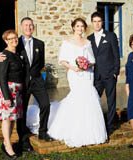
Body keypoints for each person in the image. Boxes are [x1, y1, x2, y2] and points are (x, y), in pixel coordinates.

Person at [0, 17, 53, 152]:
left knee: (45, 104)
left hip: (37, 80)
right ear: (21, 27)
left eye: (31, 25)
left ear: (34, 27)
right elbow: (5, 54)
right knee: (22, 112)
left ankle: (43, 132)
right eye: (26, 25)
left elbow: (41, 63)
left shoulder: (40, 44)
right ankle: (24, 141)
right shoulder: (15, 41)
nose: (28, 27)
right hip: (22, 82)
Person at [45, 18, 107, 147]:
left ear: (84, 28)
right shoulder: (67, 42)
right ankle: (74, 129)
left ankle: (91, 132)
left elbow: (93, 60)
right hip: (74, 74)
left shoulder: (88, 42)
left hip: (87, 74)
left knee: (89, 98)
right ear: (73, 27)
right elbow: (62, 60)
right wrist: (73, 67)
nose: (80, 28)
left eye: (82, 26)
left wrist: (87, 64)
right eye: (77, 26)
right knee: (77, 97)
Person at [87, 12, 120, 136]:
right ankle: (96, 125)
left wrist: (115, 72)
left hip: (109, 74)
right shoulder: (89, 39)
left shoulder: (111, 36)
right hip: (96, 76)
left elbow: (116, 55)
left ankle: (110, 126)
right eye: (94, 21)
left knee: (111, 102)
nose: (97, 23)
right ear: (92, 22)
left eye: (99, 21)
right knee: (94, 101)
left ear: (102, 22)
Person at [0, 30, 23, 159]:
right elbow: (2, 77)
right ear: (6, 41)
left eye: (15, 37)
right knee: (7, 118)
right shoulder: (4, 55)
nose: (14, 40)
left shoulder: (16, 54)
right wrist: (6, 97)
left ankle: (5, 142)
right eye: (10, 38)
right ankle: (8, 146)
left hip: (17, 90)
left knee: (13, 118)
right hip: (7, 90)